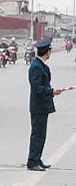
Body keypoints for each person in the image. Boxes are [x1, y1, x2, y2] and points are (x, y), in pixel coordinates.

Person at [26, 37, 62, 171]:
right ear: (47, 52)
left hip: (42, 106)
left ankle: (37, 159)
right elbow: (37, 89)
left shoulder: (41, 66)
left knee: (41, 134)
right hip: (38, 106)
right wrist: (52, 91)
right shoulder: (36, 67)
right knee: (37, 134)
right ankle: (32, 161)